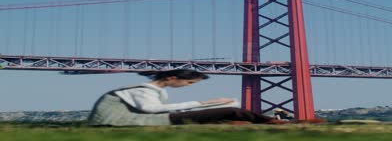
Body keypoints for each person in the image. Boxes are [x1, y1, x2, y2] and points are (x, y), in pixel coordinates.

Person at [88, 69, 285, 126]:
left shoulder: (154, 91)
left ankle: (261, 121)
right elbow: (151, 110)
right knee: (231, 110)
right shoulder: (142, 90)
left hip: (138, 120)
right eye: (189, 83)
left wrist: (200, 109)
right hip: (123, 123)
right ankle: (274, 122)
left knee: (218, 116)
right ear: (173, 77)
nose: (188, 86)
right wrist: (204, 103)